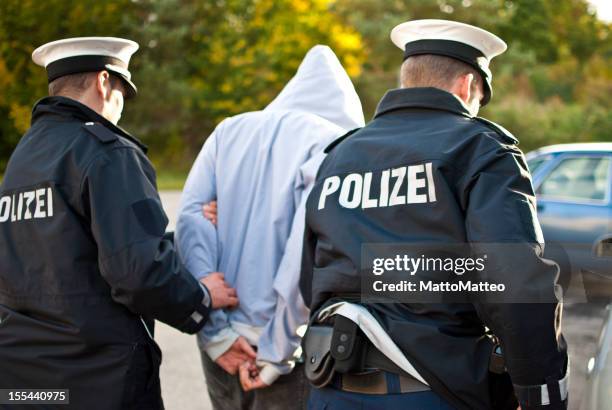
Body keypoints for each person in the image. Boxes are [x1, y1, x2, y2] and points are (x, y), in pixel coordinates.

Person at [300, 20, 568, 410]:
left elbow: (312, 274)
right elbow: (516, 281)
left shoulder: (338, 156)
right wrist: (541, 390)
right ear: (466, 85)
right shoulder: (480, 147)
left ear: (410, 79)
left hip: (330, 389)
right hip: (432, 392)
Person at [0, 37, 237, 410]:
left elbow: (69, 249)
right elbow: (137, 271)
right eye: (124, 92)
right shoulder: (107, 153)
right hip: (96, 380)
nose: (122, 106)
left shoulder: (24, 158)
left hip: (22, 383)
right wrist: (201, 297)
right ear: (103, 81)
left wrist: (186, 238)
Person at [175, 45, 364, 410]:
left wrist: (216, 333)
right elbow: (303, 256)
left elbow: (192, 221)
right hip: (284, 348)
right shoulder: (333, 145)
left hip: (221, 340)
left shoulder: (228, 131)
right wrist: (278, 353)